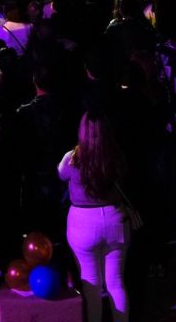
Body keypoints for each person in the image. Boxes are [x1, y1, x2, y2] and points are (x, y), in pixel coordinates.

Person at [58, 113, 131, 322]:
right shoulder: (117, 156)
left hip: (82, 223)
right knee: (116, 283)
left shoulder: (71, 157)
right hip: (115, 219)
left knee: (91, 285)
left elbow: (60, 174)